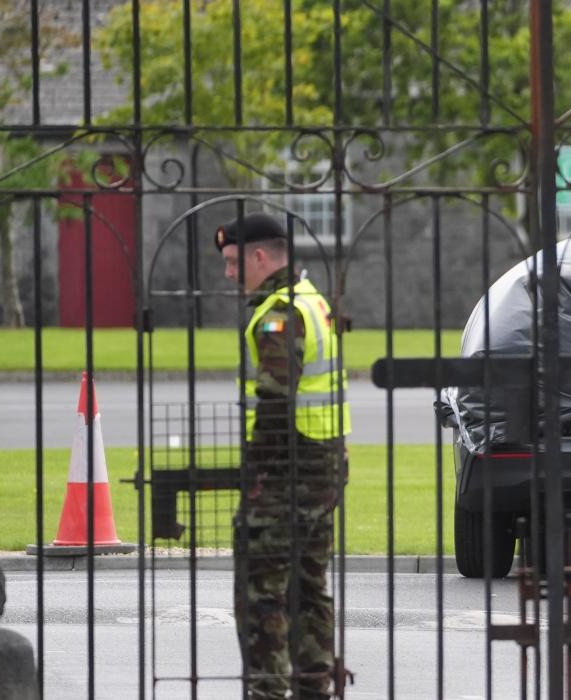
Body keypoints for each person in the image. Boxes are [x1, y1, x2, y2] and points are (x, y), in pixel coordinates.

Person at [217, 213, 351, 700]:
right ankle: (314, 688)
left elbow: (275, 401)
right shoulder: (313, 301)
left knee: (262, 592)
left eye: (234, 262)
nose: (229, 274)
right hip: (324, 467)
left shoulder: (280, 314)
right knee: (308, 587)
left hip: (286, 474)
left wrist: (257, 474)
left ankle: (268, 692)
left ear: (259, 256)